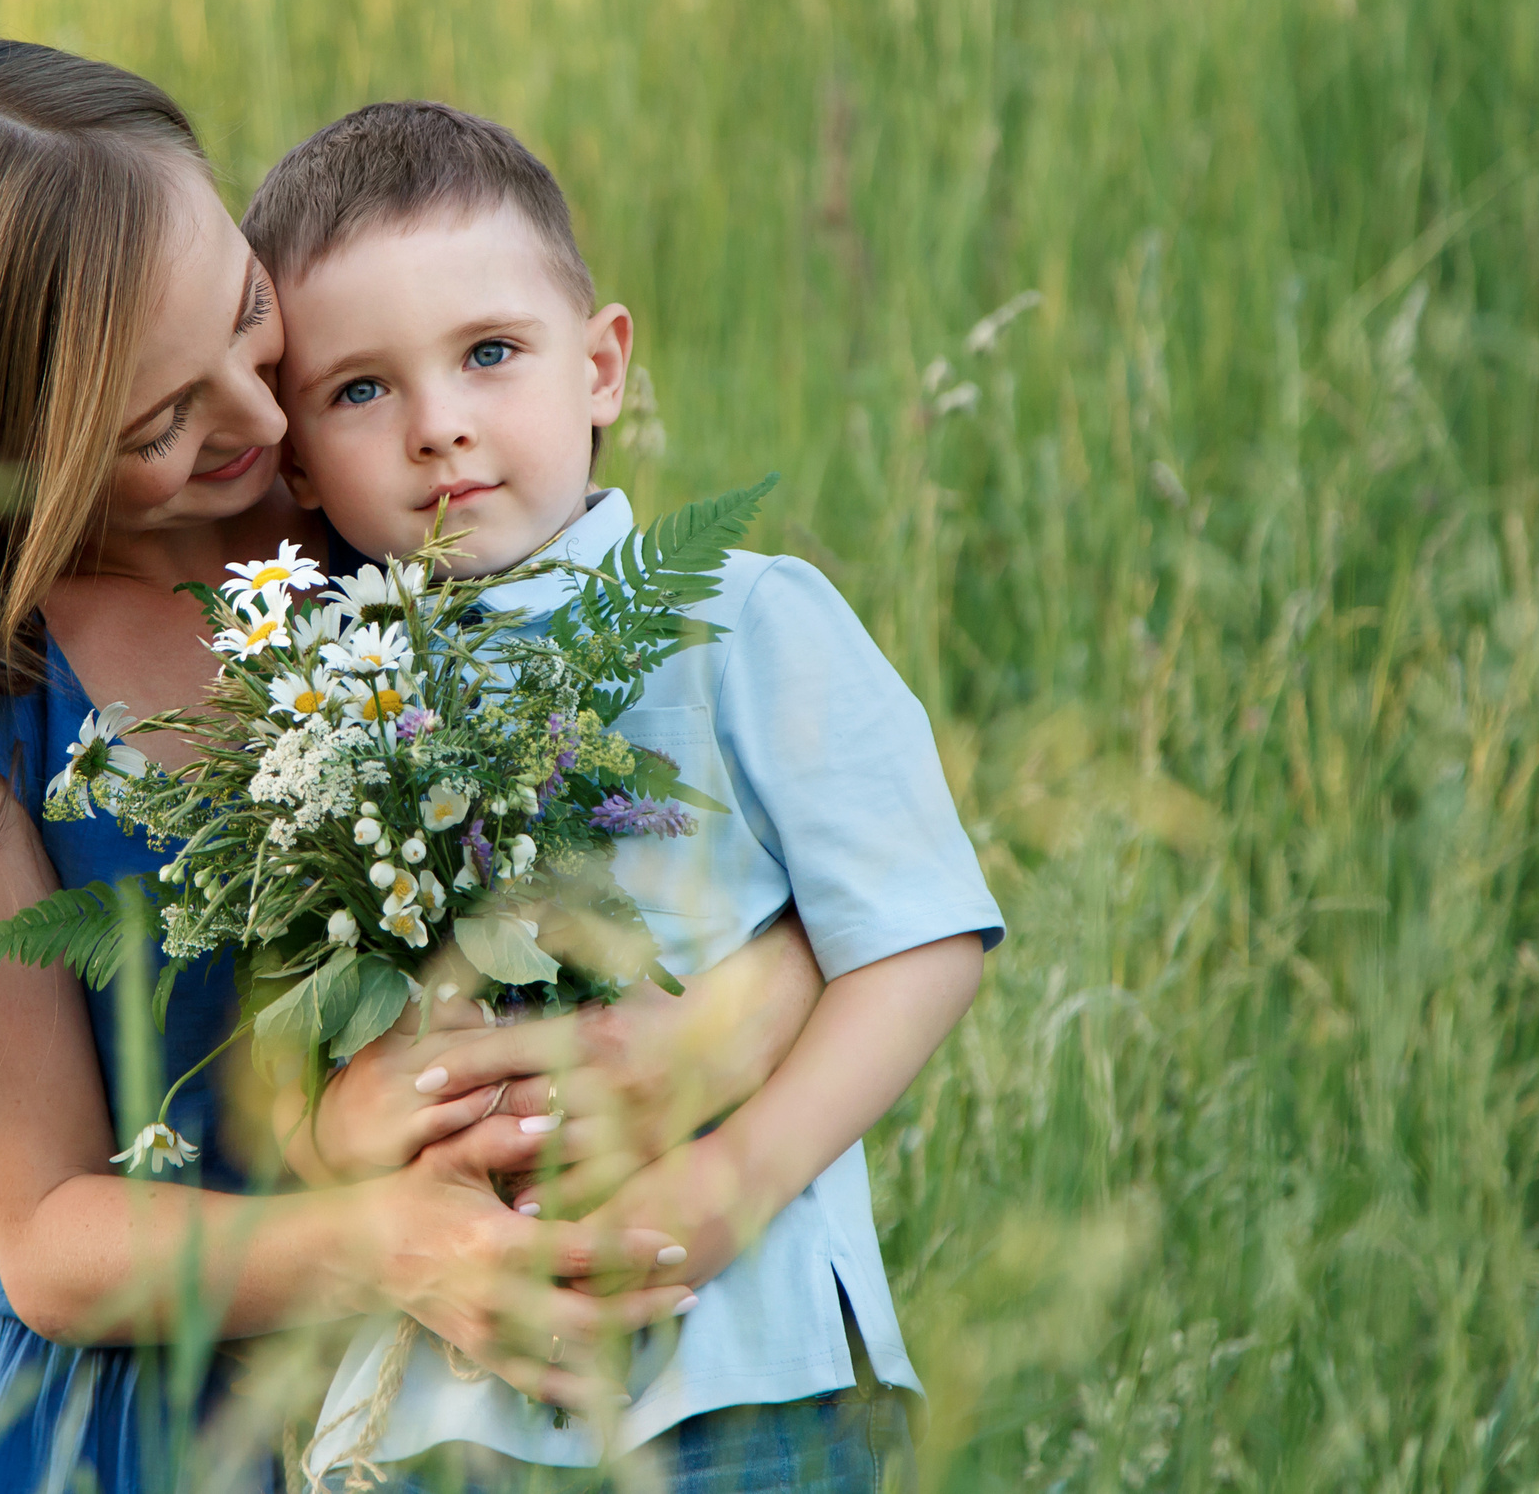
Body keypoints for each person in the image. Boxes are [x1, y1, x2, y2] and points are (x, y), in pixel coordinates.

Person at [0, 36, 832, 1494]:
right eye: (158, 426)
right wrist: (388, 1244)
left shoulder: (391, 502)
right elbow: (49, 1232)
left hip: (465, 1412)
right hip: (147, 1426)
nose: (264, 424)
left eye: (247, 314)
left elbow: (750, 853)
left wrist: (709, 1040)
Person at [242, 100, 1007, 1489]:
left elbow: (918, 932)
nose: (439, 429)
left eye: (490, 354)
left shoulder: (745, 619)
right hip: (443, 1409)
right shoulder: (311, 707)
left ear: (600, 367)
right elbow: (284, 1024)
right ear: (294, 456)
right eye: (362, 390)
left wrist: (734, 1180)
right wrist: (332, 1128)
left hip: (744, 1362)